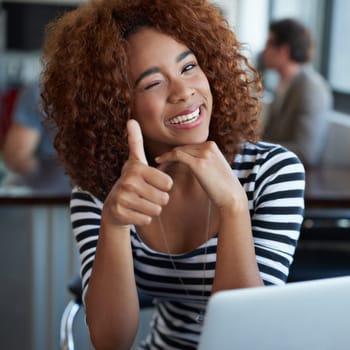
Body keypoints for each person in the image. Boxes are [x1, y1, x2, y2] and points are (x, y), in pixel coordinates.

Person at [41, 1, 305, 349]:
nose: (183, 92)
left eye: (189, 66)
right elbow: (110, 341)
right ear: (116, 105)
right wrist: (115, 224)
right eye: (152, 83)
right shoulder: (101, 192)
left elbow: (247, 339)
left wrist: (233, 205)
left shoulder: (272, 172)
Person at [261, 18, 333, 169]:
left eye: (269, 44)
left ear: (284, 51)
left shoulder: (310, 88)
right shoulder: (283, 83)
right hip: (276, 167)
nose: (264, 50)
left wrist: (256, 146)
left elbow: (307, 152)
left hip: (298, 174)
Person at [1, 81, 70, 190]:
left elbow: (16, 157)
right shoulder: (103, 93)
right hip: (94, 198)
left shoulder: (40, 91)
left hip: (46, 195)